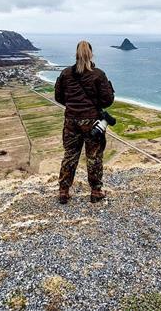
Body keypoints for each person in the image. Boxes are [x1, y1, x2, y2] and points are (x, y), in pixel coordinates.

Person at [53, 40, 115, 204]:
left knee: (70, 156)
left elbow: (58, 97)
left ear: (76, 54)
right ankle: (96, 191)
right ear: (91, 54)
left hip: (71, 121)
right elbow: (108, 100)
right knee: (94, 157)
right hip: (92, 122)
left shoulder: (66, 74)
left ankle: (63, 192)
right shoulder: (98, 75)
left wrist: (73, 107)